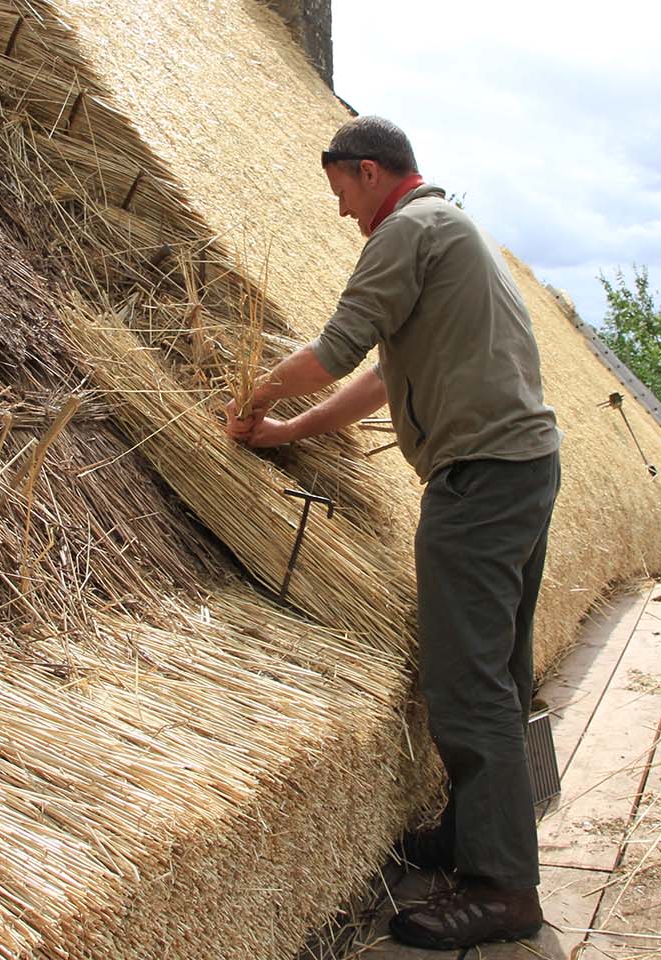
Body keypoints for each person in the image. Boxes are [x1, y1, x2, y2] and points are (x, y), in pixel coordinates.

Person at [223, 115, 561, 950]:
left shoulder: (406, 230)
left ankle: (504, 891)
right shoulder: (446, 231)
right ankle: (475, 838)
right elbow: (381, 377)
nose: (340, 211)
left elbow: (337, 351)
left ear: (369, 172)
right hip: (520, 469)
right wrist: (292, 432)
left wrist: (258, 393)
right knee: (500, 673)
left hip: (478, 481)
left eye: (339, 189)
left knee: (466, 679)